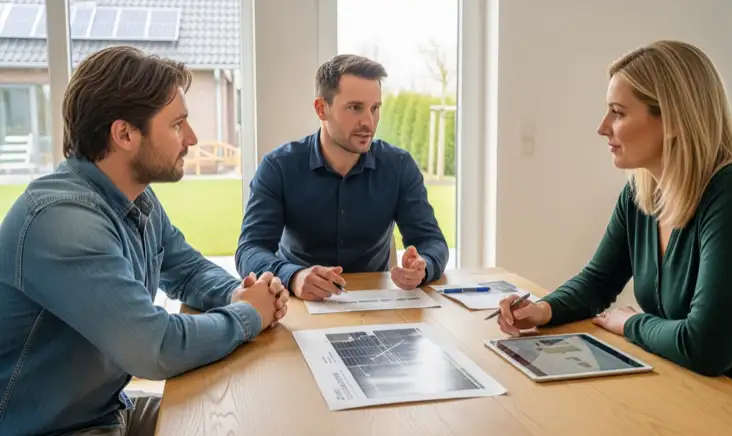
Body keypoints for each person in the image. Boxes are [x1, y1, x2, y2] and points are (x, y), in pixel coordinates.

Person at [496, 40, 732, 412]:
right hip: (691, 392)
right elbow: (598, 281)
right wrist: (544, 309)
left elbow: (707, 348)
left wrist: (632, 324)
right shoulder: (642, 194)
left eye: (618, 113)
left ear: (673, 120)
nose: (602, 128)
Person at [0, 46, 289, 436]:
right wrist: (250, 315)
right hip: (55, 429)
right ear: (124, 134)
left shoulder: (135, 197)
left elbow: (186, 270)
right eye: (177, 124)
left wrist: (246, 291)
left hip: (105, 412)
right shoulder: (61, 221)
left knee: (246, 418)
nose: (191, 137)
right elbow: (156, 349)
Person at [236, 54, 449, 301]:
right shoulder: (278, 167)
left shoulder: (399, 166)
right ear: (321, 108)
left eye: (375, 108)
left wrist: (423, 266)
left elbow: (432, 242)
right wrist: (294, 276)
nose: (369, 122)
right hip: (297, 303)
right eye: (355, 108)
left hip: (375, 305)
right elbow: (249, 250)